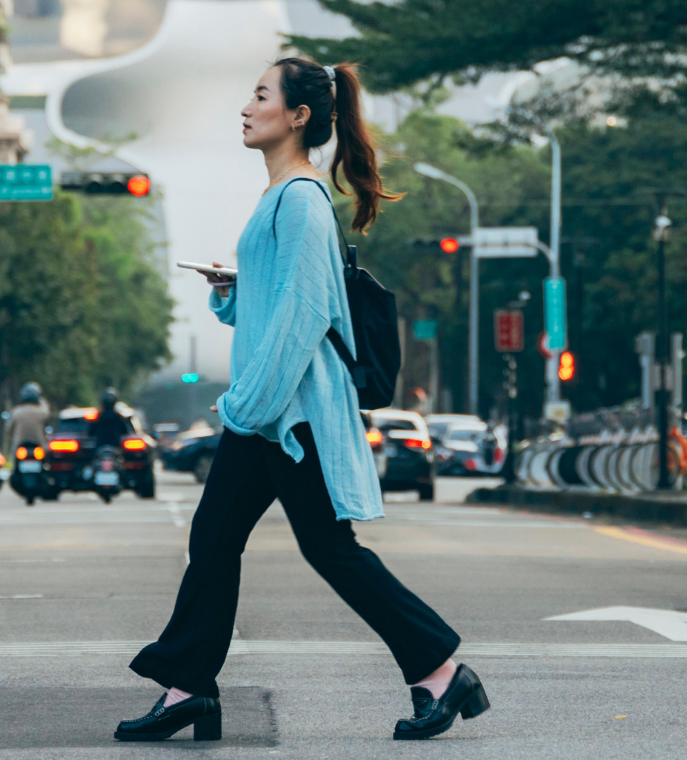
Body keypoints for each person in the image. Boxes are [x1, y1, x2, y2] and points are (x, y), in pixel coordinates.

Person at [115, 57, 490, 744]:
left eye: (260, 95)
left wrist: (245, 408)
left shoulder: (299, 200)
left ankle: (440, 669)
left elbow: (304, 314)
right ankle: (189, 687)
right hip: (277, 415)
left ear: (298, 116)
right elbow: (277, 307)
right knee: (219, 540)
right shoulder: (282, 198)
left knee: (327, 550)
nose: (246, 107)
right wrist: (235, 287)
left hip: (288, 417)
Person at [6, 382, 50, 455]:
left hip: (19, 446)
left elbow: (9, 430)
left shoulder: (16, 411)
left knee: (14, 457)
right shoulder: (42, 411)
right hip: (39, 445)